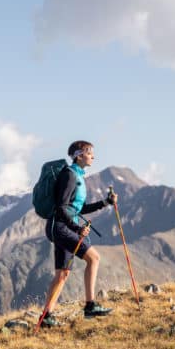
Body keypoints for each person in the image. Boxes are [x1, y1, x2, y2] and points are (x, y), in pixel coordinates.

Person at [40, 140, 118, 327]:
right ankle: (90, 305)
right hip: (61, 227)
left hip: (62, 227)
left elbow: (78, 208)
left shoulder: (78, 176)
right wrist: (77, 229)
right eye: (90, 153)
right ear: (79, 155)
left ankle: (46, 317)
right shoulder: (70, 175)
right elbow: (61, 207)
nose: (93, 156)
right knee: (94, 258)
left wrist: (105, 203)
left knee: (62, 274)